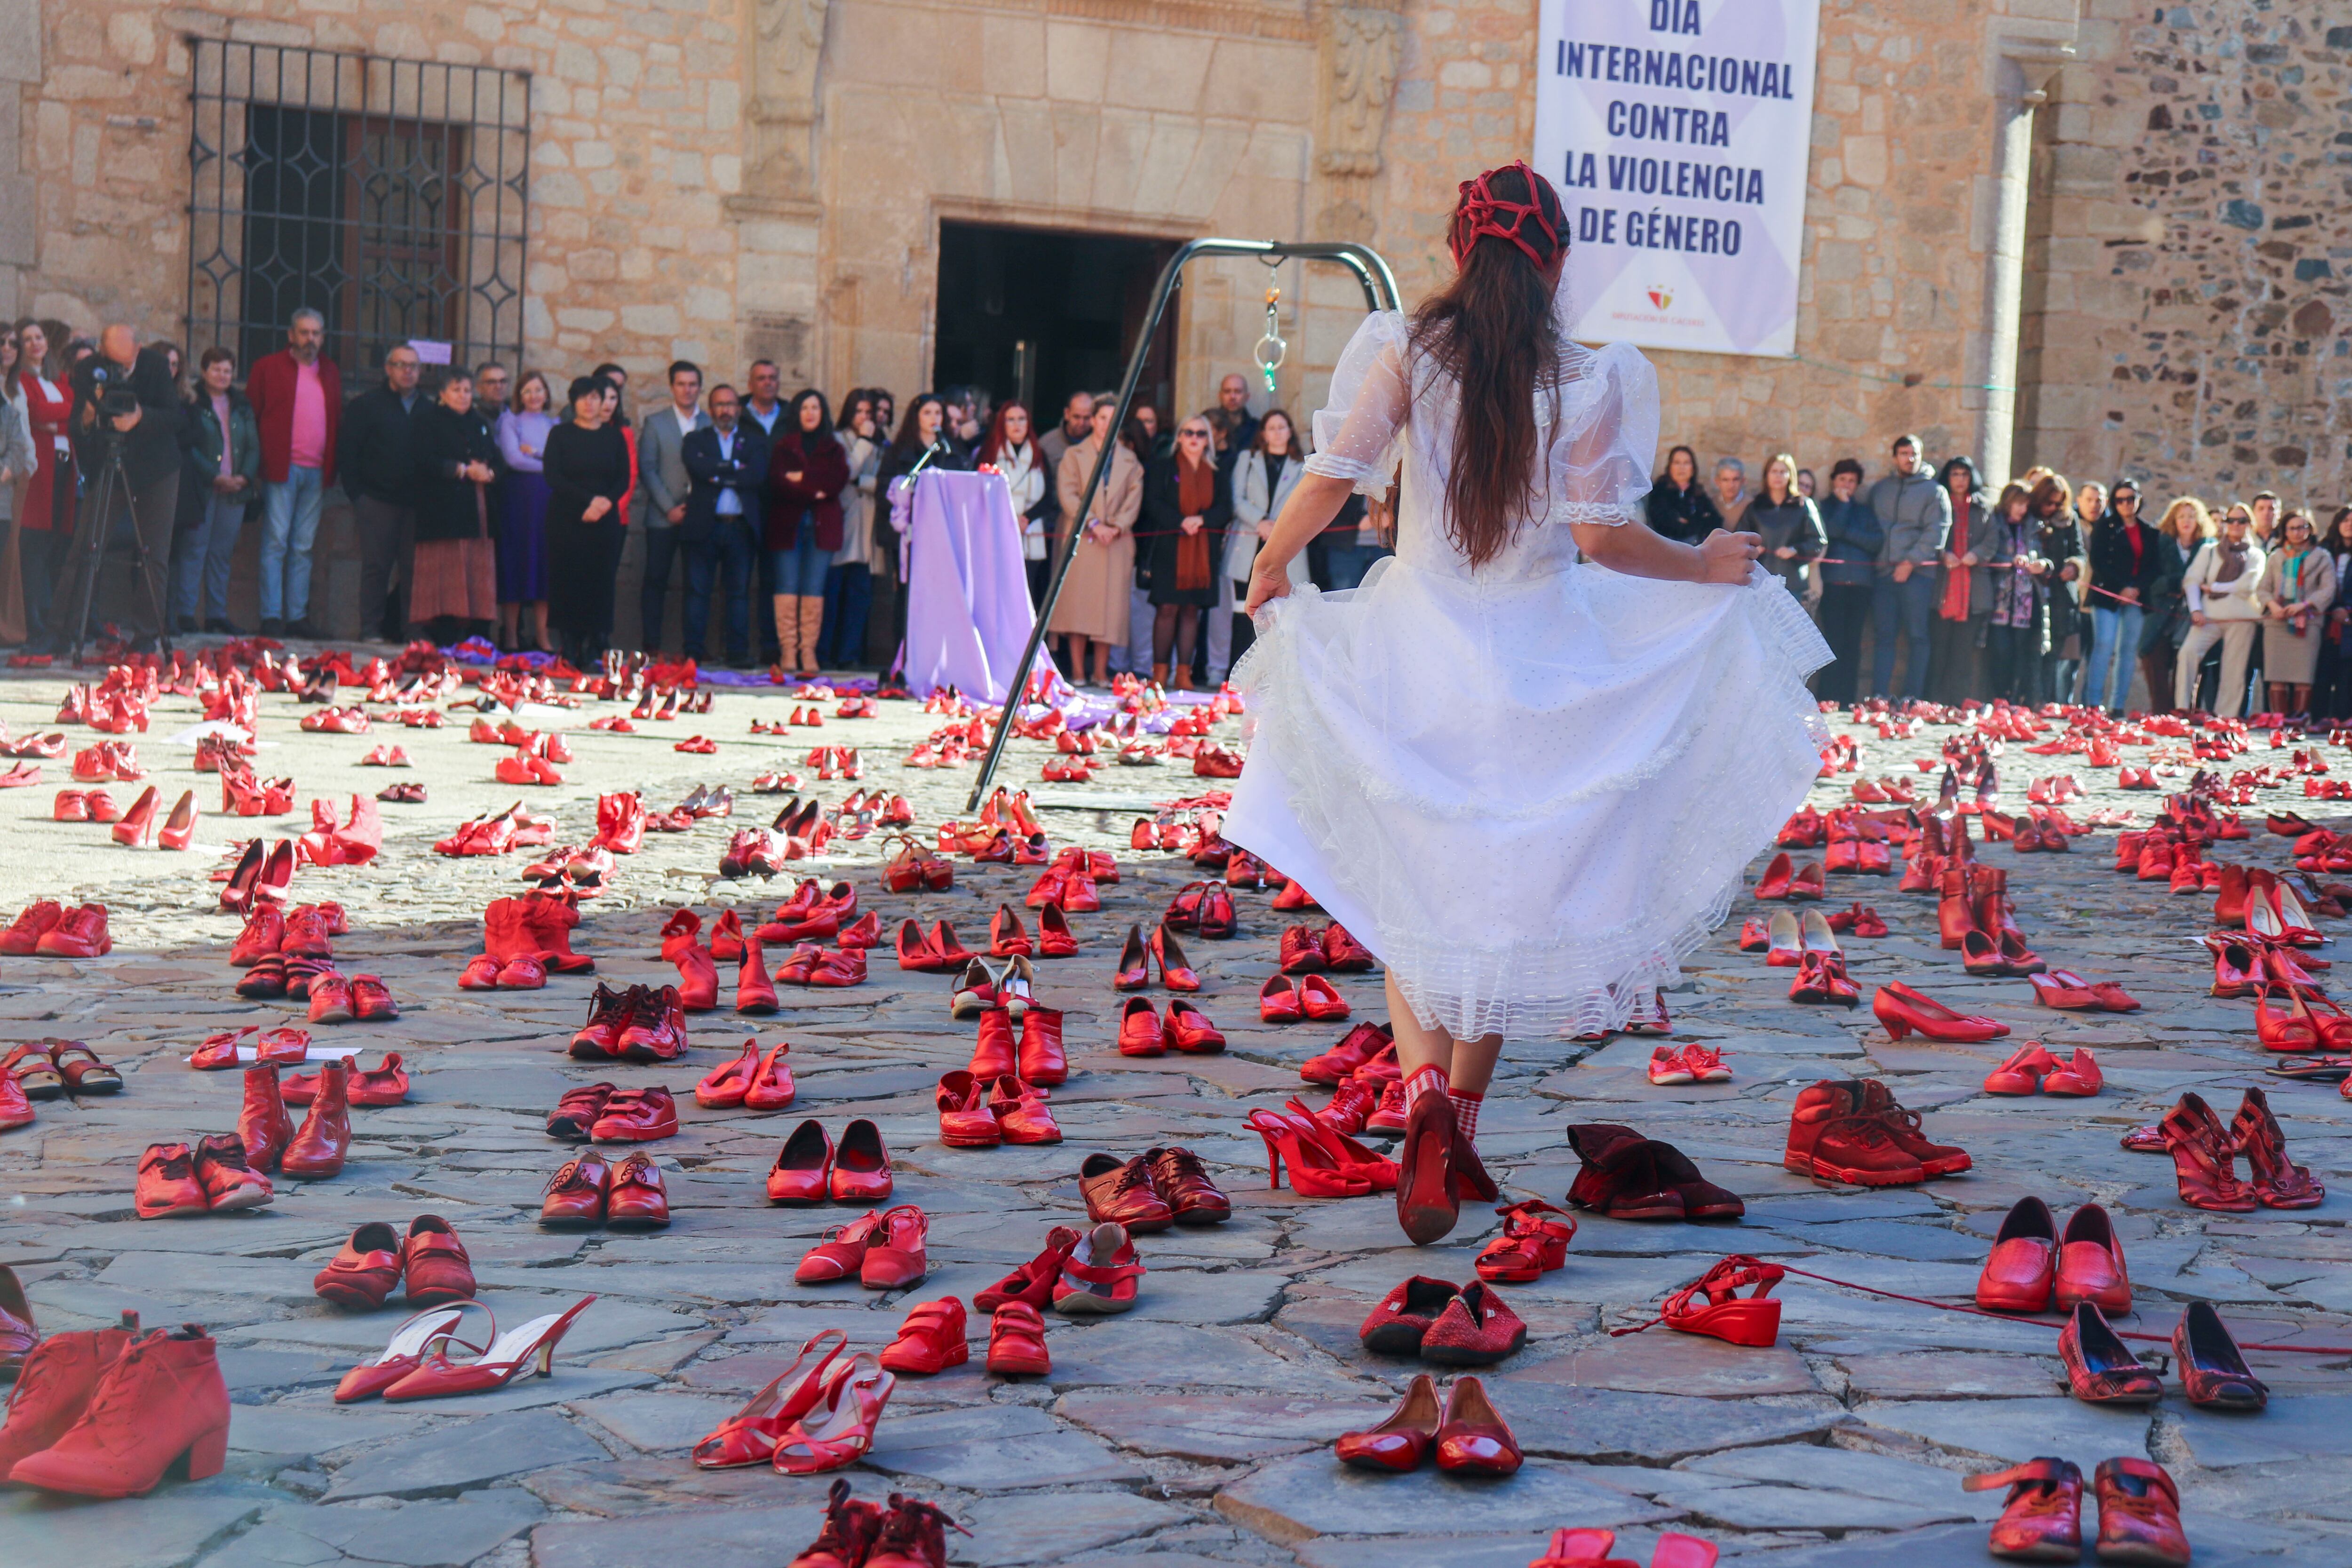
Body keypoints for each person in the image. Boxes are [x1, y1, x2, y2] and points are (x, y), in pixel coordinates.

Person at [1229, 161, 1820, 1246]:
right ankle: (1458, 1119)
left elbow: (1334, 471)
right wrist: (1703, 566)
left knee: (1417, 885)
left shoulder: (1406, 349)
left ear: (1461, 250)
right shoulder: (1587, 377)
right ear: (1553, 263)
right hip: (1541, 655)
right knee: (1505, 905)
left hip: (1417, 641)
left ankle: (1418, 1109)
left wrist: (1271, 564)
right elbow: (1601, 537)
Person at [52, 325, 183, 652]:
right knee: (86, 546)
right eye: (112, 361)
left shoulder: (155, 366)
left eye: (124, 365)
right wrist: (90, 411)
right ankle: (62, 631)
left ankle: (146, 636)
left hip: (157, 470)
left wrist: (140, 417)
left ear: (138, 350)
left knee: (154, 553)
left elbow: (175, 418)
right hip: (108, 461)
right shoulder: (88, 369)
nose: (118, 371)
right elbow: (77, 427)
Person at [244, 310, 340, 638]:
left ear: (323, 338)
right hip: (280, 469)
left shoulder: (330, 372)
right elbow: (251, 417)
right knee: (275, 542)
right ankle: (271, 616)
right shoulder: (267, 368)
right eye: (304, 332)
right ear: (291, 334)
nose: (310, 339)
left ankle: (297, 616)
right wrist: (254, 467)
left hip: (316, 471)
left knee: (303, 546)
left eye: (316, 333)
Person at [1047, 393, 1142, 685]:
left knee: (1109, 610)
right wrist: (1094, 523)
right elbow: (1069, 494)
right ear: (1093, 421)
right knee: (1079, 605)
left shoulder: (1129, 458)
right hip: (1084, 538)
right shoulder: (1075, 455)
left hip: (1115, 539)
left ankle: (1101, 672)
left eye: (1112, 419)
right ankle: (1077, 671)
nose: (1106, 425)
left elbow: (1134, 496)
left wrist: (1117, 526)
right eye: (1102, 418)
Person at [543, 375, 633, 666]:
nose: (589, 403)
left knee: (601, 579)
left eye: (595, 397)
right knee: (568, 578)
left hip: (605, 518)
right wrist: (588, 501)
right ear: (574, 402)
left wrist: (605, 502)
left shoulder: (614, 436)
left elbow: (623, 477)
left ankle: (598, 644)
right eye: (583, 397)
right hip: (568, 517)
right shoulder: (560, 434)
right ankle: (570, 644)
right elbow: (553, 476)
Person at [678, 383, 769, 670]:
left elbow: (756, 475)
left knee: (739, 593)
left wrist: (718, 473)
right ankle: (693, 652)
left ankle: (737, 653)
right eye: (719, 405)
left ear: (739, 409)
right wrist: (733, 469)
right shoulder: (696, 439)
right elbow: (698, 468)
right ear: (711, 409)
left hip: (740, 527)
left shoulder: (756, 440)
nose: (725, 410)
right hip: (704, 525)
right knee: (697, 591)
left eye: (730, 404)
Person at [406, 368, 501, 642]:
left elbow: (497, 459)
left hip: (478, 510)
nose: (463, 396)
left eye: (468, 391)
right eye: (457, 390)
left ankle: (477, 631)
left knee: (476, 566)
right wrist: (462, 470)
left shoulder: (480, 423)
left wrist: (490, 473)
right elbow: (423, 459)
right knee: (446, 569)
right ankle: (444, 630)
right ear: (443, 394)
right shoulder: (428, 421)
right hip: (443, 511)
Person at [338, 342, 424, 640]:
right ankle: (370, 629)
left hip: (417, 503)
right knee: (377, 566)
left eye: (413, 366)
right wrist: (358, 496)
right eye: (401, 365)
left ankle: (412, 631)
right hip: (376, 501)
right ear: (388, 369)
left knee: (415, 570)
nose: (407, 371)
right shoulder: (367, 405)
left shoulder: (429, 408)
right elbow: (348, 452)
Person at [1138, 413, 1228, 690]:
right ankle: (1160, 674)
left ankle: (1184, 675)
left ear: (1208, 441)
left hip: (1203, 552)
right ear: (1179, 437)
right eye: (1189, 433)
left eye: (1201, 434)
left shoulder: (1217, 471)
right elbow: (1152, 503)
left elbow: (1226, 508)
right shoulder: (1163, 467)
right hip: (1170, 548)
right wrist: (1180, 521)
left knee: (1192, 611)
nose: (1194, 439)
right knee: (1167, 609)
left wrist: (1202, 520)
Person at [173, 347, 259, 635]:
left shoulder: (242, 405)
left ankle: (216, 615)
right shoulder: (195, 402)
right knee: (195, 549)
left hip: (236, 489)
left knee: (222, 553)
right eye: (216, 369)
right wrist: (214, 477)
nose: (222, 376)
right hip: (204, 487)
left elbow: (253, 444)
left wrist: (244, 476)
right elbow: (191, 447)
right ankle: (186, 613)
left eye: (228, 370)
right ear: (204, 371)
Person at [1220, 408, 1304, 680]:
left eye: (1282, 427)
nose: (1277, 432)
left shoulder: (1302, 465)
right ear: (1263, 434)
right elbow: (1236, 498)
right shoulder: (1248, 459)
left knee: (1280, 615)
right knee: (1244, 611)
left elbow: (1303, 505)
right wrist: (1260, 522)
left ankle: (1271, 678)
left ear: (1290, 432)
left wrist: (1277, 528)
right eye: (1272, 428)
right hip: (1249, 544)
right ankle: (1237, 676)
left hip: (1284, 544)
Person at [767, 389, 845, 677]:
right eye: (805, 408)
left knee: (814, 588)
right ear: (796, 413)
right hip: (789, 524)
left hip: (822, 526)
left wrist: (803, 479)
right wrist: (816, 487)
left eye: (816, 407)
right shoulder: (783, 446)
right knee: (787, 585)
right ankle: (788, 649)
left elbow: (837, 481)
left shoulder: (833, 448)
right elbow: (778, 482)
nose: (810, 413)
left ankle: (808, 650)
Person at [634, 360, 708, 655]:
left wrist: (693, 508)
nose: (687, 390)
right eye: (681, 384)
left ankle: (695, 647)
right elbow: (648, 469)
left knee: (697, 583)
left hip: (698, 515)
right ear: (672, 387)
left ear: (699, 388)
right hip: (662, 517)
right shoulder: (656, 423)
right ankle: (651, 643)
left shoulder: (710, 423)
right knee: (655, 580)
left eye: (692, 385)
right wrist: (669, 508)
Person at [1867, 434, 1950, 698]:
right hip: (1883, 573)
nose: (1910, 459)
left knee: (1918, 636)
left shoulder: (1935, 492)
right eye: (1904, 454)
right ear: (1895, 458)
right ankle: (1879, 696)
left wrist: (1910, 563)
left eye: (1914, 453)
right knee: (1884, 636)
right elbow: (1870, 527)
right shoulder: (1881, 490)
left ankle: (1912, 698)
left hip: (1918, 576)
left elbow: (1937, 532)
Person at [10, 320, 75, 647]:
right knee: (32, 544)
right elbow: (35, 412)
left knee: (55, 542)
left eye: (39, 337)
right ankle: (32, 618)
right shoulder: (20, 379)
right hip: (39, 472)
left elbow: (73, 413)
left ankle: (52, 616)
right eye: (27, 339)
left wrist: (59, 419)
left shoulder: (59, 378)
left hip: (64, 468)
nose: (35, 343)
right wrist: (65, 415)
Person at [2176, 505, 2264, 716]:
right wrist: (2196, 609)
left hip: (2241, 618)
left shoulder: (2256, 555)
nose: (2235, 525)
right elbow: (2192, 580)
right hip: (2209, 616)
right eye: (2231, 520)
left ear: (2249, 525)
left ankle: (2226, 716)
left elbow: (2248, 586)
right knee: (2188, 653)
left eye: (2241, 521)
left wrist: (2214, 587)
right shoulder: (2210, 551)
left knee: (2234, 668)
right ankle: (2183, 708)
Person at [2081, 477, 2159, 714]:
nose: (2126, 504)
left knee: (2128, 650)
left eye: (2131, 499)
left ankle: (2117, 706)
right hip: (2108, 594)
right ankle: (2093, 703)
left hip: (2136, 597)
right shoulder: (2105, 527)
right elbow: (2099, 561)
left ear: (2139, 501)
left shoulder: (2148, 531)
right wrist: (2122, 587)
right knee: (2104, 645)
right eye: (2120, 500)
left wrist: (2135, 589)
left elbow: (2154, 566)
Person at [495, 371, 558, 653]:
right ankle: (510, 634)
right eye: (528, 391)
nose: (534, 396)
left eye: (539, 390)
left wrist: (535, 453)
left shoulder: (554, 424)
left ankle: (542, 636)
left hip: (548, 501)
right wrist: (545, 461)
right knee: (517, 561)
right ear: (519, 396)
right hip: (519, 500)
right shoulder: (510, 421)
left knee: (544, 563)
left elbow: (561, 460)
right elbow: (513, 459)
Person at [1926, 460, 1997, 707]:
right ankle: (1933, 700)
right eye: (1955, 474)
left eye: (1965, 474)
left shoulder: (1984, 506)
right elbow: (1931, 533)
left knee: (1963, 653)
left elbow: (1992, 539)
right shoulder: (1938, 502)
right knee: (1939, 650)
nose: (1960, 479)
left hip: (1973, 592)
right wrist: (1943, 553)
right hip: (1942, 588)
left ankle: (1957, 703)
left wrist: (1976, 555)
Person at [820, 392, 884, 669]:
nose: (864, 418)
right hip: (842, 525)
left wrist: (864, 481)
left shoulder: (881, 444)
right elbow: (844, 474)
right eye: (859, 412)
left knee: (859, 599)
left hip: (867, 529)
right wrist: (864, 443)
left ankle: (849, 655)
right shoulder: (837, 440)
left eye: (869, 412)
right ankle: (825, 654)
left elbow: (884, 482)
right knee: (832, 596)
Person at [1812, 458, 1882, 703]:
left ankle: (1847, 700)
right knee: (1832, 641)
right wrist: (1842, 508)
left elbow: (1875, 542)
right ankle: (1828, 698)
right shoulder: (1824, 507)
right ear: (1834, 481)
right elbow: (1829, 531)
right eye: (1843, 479)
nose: (1847, 485)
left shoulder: (1864, 512)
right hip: (1833, 584)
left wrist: (1847, 534)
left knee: (1853, 644)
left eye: (1852, 481)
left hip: (1861, 586)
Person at [2257, 510, 2335, 716]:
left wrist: (2304, 605)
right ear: (2285, 532)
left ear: (2310, 529)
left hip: (2307, 622)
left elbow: (2328, 589)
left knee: (2303, 676)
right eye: (2292, 528)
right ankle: (2280, 720)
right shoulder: (2276, 557)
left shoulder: (2322, 557)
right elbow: (2263, 588)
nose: (2298, 532)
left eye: (2302, 527)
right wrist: (2274, 606)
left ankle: (2298, 721)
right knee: (2276, 676)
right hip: (2277, 623)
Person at [978, 400, 1053, 611]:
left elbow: (1050, 497)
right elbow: (980, 493)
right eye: (1010, 420)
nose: (1016, 425)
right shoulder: (990, 453)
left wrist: (1027, 518)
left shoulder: (1039, 455)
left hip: (1030, 532)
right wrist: (1009, 518)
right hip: (998, 530)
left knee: (1026, 594)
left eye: (1022, 419)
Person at [1983, 478, 2052, 703]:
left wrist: (2041, 565)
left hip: (2026, 601)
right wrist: (2009, 560)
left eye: (2026, 504)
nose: (2024, 509)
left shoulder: (2032, 527)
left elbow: (2041, 554)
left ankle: (2015, 698)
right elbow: (1989, 554)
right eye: (2019, 504)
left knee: (2021, 652)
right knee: (2000, 651)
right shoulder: (1995, 523)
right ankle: (1998, 695)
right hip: (1999, 599)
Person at [2143, 496, 2210, 711]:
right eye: (2181, 516)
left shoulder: (2208, 548)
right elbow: (2149, 579)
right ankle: (2161, 712)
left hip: (2194, 613)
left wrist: (2194, 587)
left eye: (2192, 516)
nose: (2186, 521)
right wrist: (2176, 583)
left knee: (2188, 662)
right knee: (2155, 658)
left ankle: (2184, 711)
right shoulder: (2160, 545)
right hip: (2161, 611)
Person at [2035, 474, 2088, 704]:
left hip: (2061, 596)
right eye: (2049, 503)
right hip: (2034, 593)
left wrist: (2075, 566)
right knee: (2033, 651)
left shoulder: (2069, 519)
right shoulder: (2030, 518)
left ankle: (2048, 702)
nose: (2053, 508)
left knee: (2055, 653)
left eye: (2058, 503)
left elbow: (2079, 551)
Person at [1745, 452, 1825, 599]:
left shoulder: (1804, 506)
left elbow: (1818, 541)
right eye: (1774, 471)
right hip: (1759, 584)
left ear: (1791, 476)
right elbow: (1740, 538)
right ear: (1766, 475)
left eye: (1783, 472)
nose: (1778, 476)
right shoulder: (1755, 507)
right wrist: (1752, 549)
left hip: (1793, 585)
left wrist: (1795, 550)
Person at [0, 329, 35, 642]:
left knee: (8, 556)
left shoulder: (17, 388)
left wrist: (14, 468)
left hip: (14, 479)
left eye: (14, 343)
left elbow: (21, 438)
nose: (8, 348)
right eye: (2, 342)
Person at [1642, 444, 1721, 544]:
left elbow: (1715, 521)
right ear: (1670, 467)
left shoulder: (1699, 493)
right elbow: (1663, 523)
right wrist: (1697, 521)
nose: (1682, 468)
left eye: (1686, 463)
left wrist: (1685, 521)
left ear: (1693, 469)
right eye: (1677, 463)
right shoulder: (1660, 491)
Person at [2317, 505, 2352, 718]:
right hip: (2325, 620)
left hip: (2349, 622)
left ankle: (2345, 719)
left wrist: (2348, 612)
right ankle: (2320, 717)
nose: (2350, 526)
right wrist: (2332, 609)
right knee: (2323, 670)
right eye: (2346, 521)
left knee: (2347, 674)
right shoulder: (2324, 551)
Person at [1205, 373, 1259, 479]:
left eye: (1238, 392)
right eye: (1227, 391)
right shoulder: (1205, 424)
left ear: (1247, 397)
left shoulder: (1258, 429)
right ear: (1220, 396)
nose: (1232, 397)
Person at [1039, 390, 1093, 475]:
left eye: (1087, 418)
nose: (1081, 423)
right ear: (1067, 414)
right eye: (1077, 417)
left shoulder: (1100, 445)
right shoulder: (1047, 444)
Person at [1710, 457, 1749, 531]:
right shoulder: (1711, 504)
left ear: (1743, 481)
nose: (1731, 485)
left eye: (1736, 480)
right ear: (1717, 482)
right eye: (1726, 480)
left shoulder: (1751, 506)